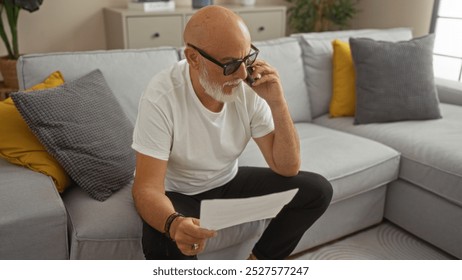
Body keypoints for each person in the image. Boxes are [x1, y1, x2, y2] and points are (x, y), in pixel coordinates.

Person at [131, 5, 333, 260]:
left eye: (247, 58)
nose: (242, 73)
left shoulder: (249, 84)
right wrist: (174, 223)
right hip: (178, 192)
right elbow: (146, 189)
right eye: (229, 64)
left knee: (317, 190)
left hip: (227, 181)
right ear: (193, 58)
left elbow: (287, 168)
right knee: (163, 240)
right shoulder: (161, 96)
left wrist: (278, 103)